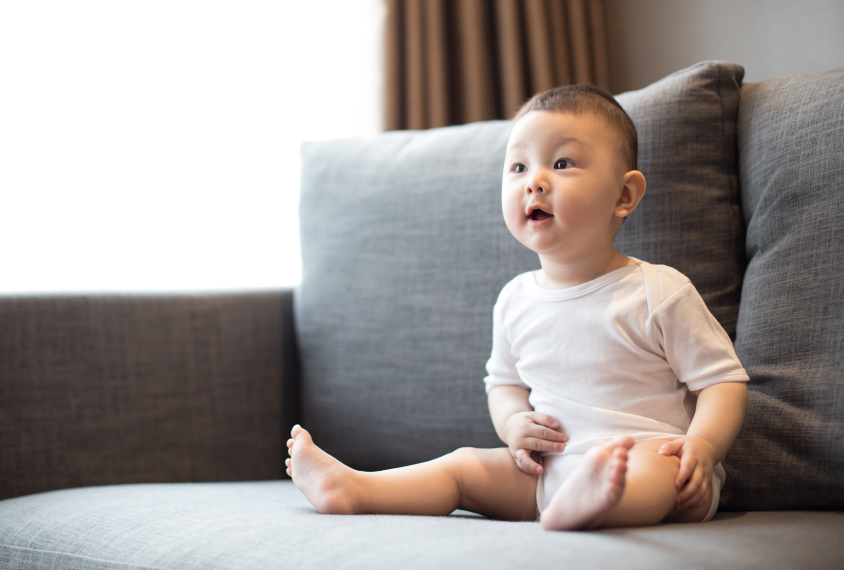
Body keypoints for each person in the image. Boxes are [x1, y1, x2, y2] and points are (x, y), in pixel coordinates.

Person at [285, 84, 749, 531]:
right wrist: (513, 426)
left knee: (651, 474)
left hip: (658, 462)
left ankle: (595, 505)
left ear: (624, 195)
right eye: (519, 168)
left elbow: (722, 382)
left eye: (562, 163)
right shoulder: (515, 300)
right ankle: (353, 489)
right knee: (464, 467)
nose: (536, 182)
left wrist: (702, 448)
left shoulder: (657, 290)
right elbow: (503, 385)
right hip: (546, 474)